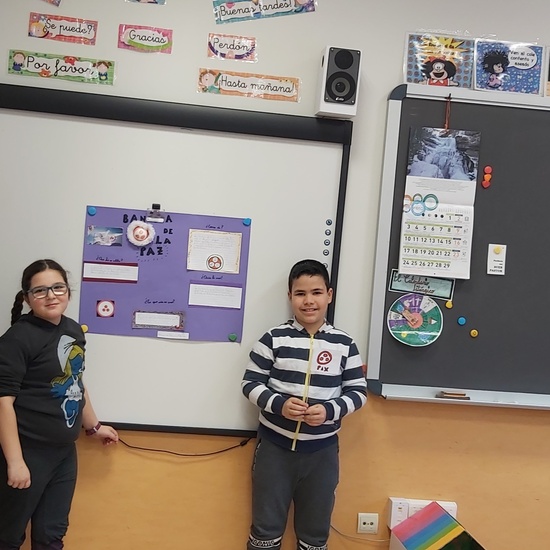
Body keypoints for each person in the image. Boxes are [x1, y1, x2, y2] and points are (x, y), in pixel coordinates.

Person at [242, 259, 367, 550]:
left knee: (315, 533)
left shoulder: (344, 344)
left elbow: (358, 392)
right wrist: (279, 405)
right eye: (300, 293)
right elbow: (250, 383)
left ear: (329, 295)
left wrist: (329, 410)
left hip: (322, 454)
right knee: (265, 529)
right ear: (290, 297)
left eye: (316, 292)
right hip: (274, 450)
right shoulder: (273, 339)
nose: (308, 301)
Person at [0, 259, 119, 550]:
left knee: (52, 534)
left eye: (58, 287)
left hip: (64, 453)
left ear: (68, 291)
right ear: (27, 297)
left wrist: (94, 426)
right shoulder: (17, 338)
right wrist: (15, 462)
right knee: (8, 535)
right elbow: (3, 402)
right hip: (27, 451)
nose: (51, 295)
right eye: (40, 290)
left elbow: (75, 382)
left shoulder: (73, 330)